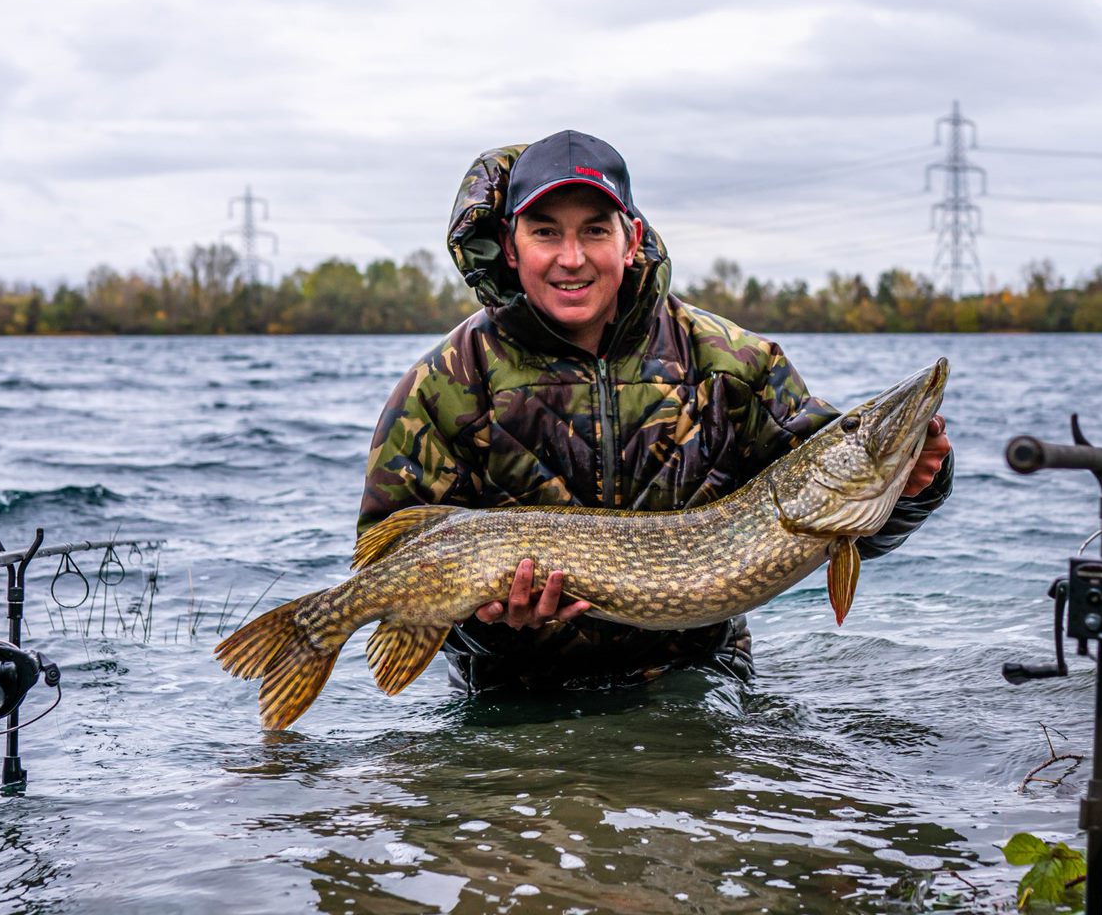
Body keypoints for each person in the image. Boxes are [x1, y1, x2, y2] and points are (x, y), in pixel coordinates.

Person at [359, 129, 952, 694]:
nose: (572, 258)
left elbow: (846, 530)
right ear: (512, 247)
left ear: (631, 239)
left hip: (697, 684)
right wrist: (486, 624)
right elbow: (389, 560)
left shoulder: (732, 364)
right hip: (513, 700)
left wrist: (913, 486)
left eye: (595, 231)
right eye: (545, 233)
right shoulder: (445, 382)